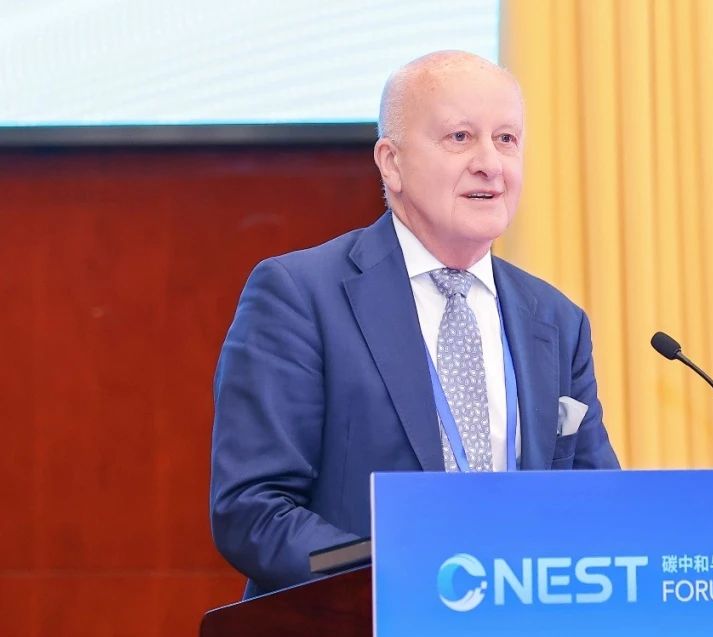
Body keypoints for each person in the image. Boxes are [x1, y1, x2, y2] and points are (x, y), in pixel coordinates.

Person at [210, 50, 619, 599]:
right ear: (391, 162)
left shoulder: (555, 320)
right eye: (460, 137)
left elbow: (596, 505)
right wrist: (402, 576)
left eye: (506, 139)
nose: (490, 163)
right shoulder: (300, 296)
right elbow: (253, 511)